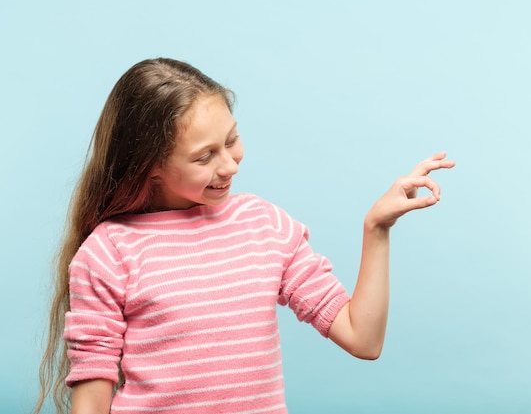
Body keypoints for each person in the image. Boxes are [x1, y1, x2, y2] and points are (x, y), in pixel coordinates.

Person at [34, 57, 455, 414]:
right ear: (150, 167)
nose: (230, 165)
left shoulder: (264, 226)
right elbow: (91, 402)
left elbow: (363, 338)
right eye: (205, 156)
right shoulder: (108, 252)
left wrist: (376, 228)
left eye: (232, 140)